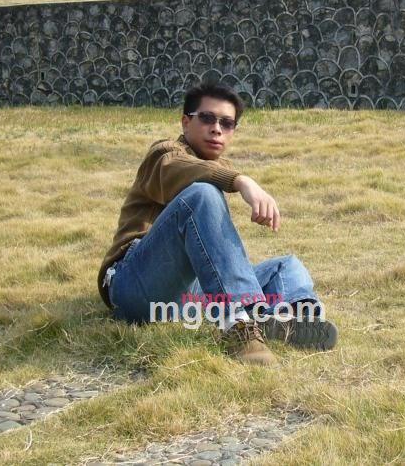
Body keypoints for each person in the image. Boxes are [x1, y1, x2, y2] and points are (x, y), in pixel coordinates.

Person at [98, 83, 338, 366]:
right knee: (202, 193)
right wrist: (241, 181)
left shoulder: (217, 168)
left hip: (187, 296)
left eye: (227, 123)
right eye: (207, 118)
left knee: (285, 266)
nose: (216, 129)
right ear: (185, 122)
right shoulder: (163, 154)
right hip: (134, 287)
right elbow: (177, 169)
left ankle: (293, 318)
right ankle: (238, 325)